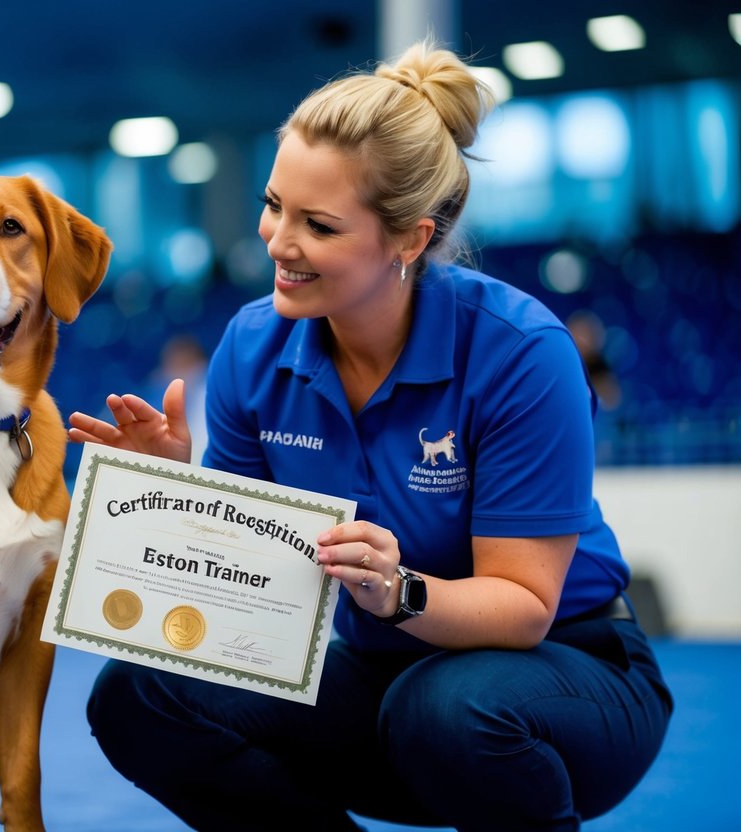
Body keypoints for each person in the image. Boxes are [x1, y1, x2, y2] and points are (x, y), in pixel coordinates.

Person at [67, 40, 672, 832]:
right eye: (273, 204)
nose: (277, 243)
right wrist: (175, 491)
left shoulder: (522, 351)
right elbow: (247, 592)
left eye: (317, 224)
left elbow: (523, 606)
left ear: (410, 240)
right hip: (382, 681)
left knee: (444, 709)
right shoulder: (253, 346)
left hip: (566, 678)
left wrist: (397, 591)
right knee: (138, 695)